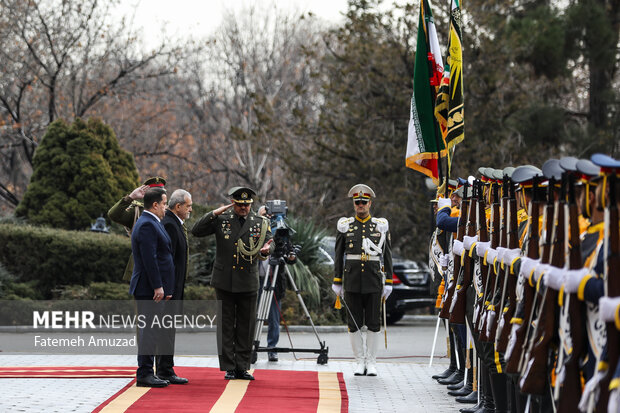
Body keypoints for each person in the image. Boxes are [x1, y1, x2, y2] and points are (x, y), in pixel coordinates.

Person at [191, 186, 272, 380]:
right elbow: (196, 230)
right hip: (225, 279)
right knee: (226, 324)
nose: (243, 208)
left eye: (246, 205)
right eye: (239, 205)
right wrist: (214, 212)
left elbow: (270, 241)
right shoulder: (222, 219)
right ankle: (228, 366)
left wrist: (266, 250)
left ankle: (242, 366)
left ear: (251, 204)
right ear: (232, 203)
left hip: (248, 280)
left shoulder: (260, 222)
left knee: (246, 325)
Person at [331, 184, 393, 377]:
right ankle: (359, 361)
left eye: (363, 202)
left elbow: (387, 255)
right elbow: (338, 253)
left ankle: (372, 362)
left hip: (373, 280)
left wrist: (389, 281)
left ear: (370, 203)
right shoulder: (346, 226)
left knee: (374, 323)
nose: (360, 205)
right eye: (357, 202)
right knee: (354, 323)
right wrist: (337, 280)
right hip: (352, 280)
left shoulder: (380, 226)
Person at [129, 187, 175, 388]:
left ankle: (148, 372)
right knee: (149, 331)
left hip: (152, 288)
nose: (165, 207)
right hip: (149, 289)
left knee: (152, 330)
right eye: (164, 204)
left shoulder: (152, 222)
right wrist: (158, 286)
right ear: (155, 205)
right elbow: (150, 259)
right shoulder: (147, 224)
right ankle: (145, 373)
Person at [157, 189, 193, 385]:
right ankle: (164, 370)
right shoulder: (170, 224)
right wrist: (168, 289)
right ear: (177, 206)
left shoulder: (175, 223)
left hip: (174, 287)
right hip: (169, 289)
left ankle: (166, 368)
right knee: (166, 329)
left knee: (169, 329)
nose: (190, 209)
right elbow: (166, 260)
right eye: (188, 206)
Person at [108, 176, 167, 281]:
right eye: (154, 193)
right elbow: (114, 214)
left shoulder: (169, 213)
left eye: (160, 193)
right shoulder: (137, 211)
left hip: (164, 267)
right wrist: (130, 197)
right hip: (142, 269)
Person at [257, 205, 286, 362]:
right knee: (254, 315)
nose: (268, 217)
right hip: (258, 281)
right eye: (264, 215)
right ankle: (250, 347)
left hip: (274, 280)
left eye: (270, 215)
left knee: (274, 318)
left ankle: (272, 349)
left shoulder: (279, 232)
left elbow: (286, 253)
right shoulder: (254, 232)